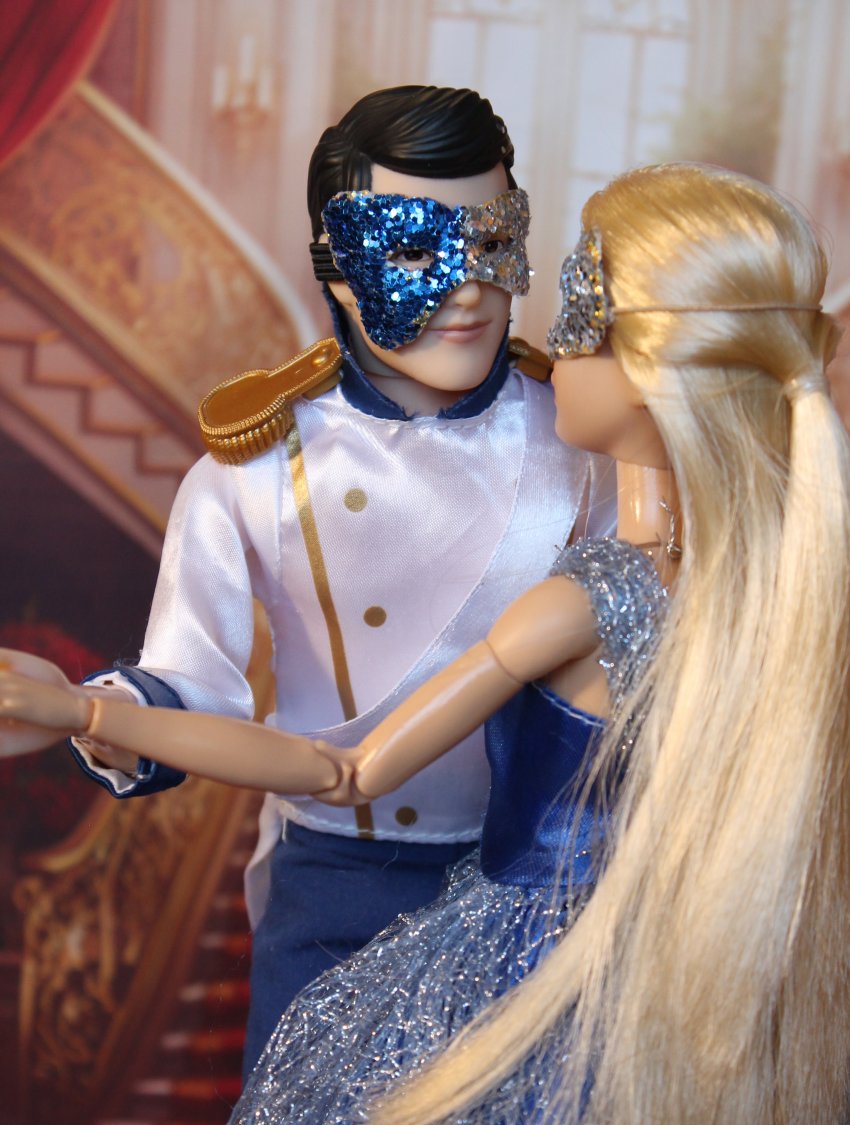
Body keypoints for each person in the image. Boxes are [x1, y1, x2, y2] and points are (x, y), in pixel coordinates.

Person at [3, 161, 848, 1125]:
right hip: (670, 980)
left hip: (517, 966)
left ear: (642, 369)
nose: (529, 332)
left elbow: (344, 769)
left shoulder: (595, 591)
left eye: (576, 324)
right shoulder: (785, 592)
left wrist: (84, 708)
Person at [9, 85, 613, 1074]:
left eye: (491, 241)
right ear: (337, 264)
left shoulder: (583, 445)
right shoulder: (263, 465)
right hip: (337, 885)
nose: (467, 288)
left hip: (533, 893)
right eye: (413, 252)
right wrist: (82, 708)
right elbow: (191, 681)